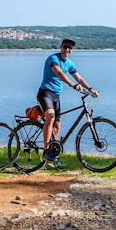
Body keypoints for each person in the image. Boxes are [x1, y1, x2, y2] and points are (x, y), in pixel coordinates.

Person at [36, 38, 98, 169]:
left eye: (70, 48)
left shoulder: (69, 63)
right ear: (61, 47)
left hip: (56, 96)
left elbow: (79, 78)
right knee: (51, 117)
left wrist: (90, 89)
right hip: (45, 93)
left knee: (57, 127)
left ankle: (54, 157)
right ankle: (46, 151)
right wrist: (72, 84)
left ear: (72, 50)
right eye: (65, 47)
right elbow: (58, 72)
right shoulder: (53, 59)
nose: (67, 50)